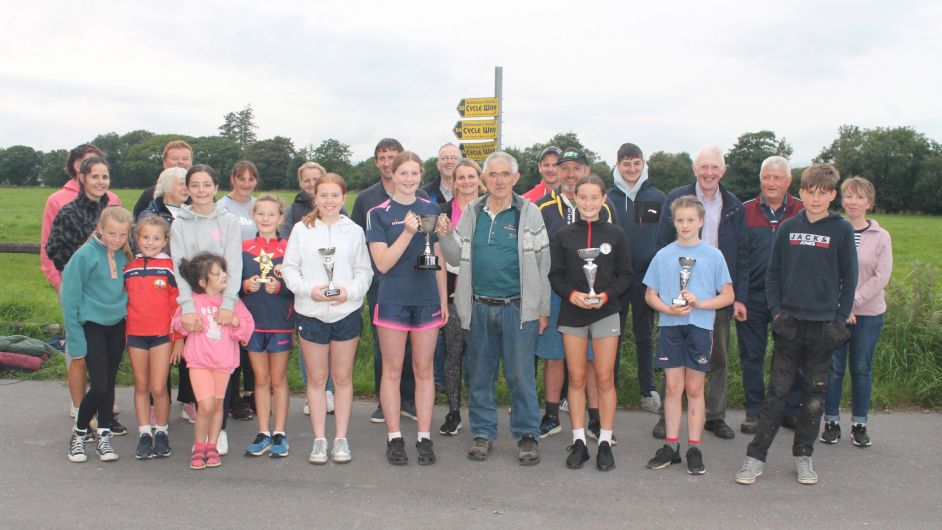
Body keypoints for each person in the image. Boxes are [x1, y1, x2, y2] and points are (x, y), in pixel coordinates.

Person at [736, 163, 858, 486]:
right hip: (789, 324)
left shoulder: (841, 230)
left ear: (833, 195)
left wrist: (838, 320)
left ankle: (804, 455)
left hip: (823, 328)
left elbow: (850, 278)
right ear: (801, 192)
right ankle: (755, 457)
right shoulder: (789, 228)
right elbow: (772, 275)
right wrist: (777, 314)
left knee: (814, 396)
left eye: (823, 194)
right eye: (810, 193)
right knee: (776, 394)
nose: (816, 199)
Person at [438, 151, 551, 466]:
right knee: (480, 375)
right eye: (493, 174)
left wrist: (542, 309)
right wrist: (445, 236)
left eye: (505, 174)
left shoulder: (529, 212)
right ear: (484, 179)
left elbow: (544, 263)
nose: (499, 180)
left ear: (515, 179)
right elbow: (455, 257)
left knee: (521, 376)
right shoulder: (472, 212)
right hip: (478, 307)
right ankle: (483, 433)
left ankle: (527, 434)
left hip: (519, 309)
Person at [652, 145, 748, 441]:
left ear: (723, 170)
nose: (709, 173)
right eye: (703, 167)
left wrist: (738, 296)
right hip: (677, 297)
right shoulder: (677, 199)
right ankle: (666, 418)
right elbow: (661, 244)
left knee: (716, 355)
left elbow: (742, 254)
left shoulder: (734, 205)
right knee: (673, 359)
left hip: (714, 294)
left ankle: (715, 416)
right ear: (694, 169)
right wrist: (666, 292)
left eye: (714, 167)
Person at [283, 174, 373, 464]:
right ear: (315, 197)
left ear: (343, 198)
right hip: (311, 312)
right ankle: (319, 439)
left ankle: (341, 439)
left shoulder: (354, 231)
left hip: (346, 312)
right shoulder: (301, 230)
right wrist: (311, 290)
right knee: (317, 378)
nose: (329, 201)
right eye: (324, 195)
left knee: (343, 377)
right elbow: (289, 269)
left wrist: (348, 292)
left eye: (335, 196)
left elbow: (364, 272)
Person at [366, 151, 448, 466]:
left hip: (426, 299)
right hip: (393, 299)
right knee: (393, 370)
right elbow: (383, 263)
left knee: (424, 370)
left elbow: (438, 258)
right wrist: (407, 232)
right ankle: (394, 437)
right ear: (393, 175)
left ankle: (424, 437)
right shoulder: (379, 213)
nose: (410, 179)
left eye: (415, 174)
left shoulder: (431, 209)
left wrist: (442, 299)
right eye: (404, 174)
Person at [644, 196, 734, 475]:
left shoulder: (713, 255)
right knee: (672, 388)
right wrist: (667, 310)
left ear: (701, 221)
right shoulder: (663, 255)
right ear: (674, 222)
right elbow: (650, 295)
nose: (685, 225)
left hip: (701, 327)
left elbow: (728, 296)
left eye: (691, 220)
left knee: (695, 389)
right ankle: (671, 446)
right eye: (680, 220)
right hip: (671, 327)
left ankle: (694, 447)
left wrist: (700, 304)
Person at [549, 175, 633, 472]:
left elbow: (626, 275)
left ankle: (606, 441)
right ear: (575, 198)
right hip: (573, 313)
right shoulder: (563, 235)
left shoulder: (616, 235)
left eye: (593, 198)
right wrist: (572, 295)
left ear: (602, 199)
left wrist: (605, 295)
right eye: (582, 197)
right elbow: (555, 275)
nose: (587, 203)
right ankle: (579, 440)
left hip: (605, 311)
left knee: (605, 378)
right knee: (576, 378)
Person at [536, 147, 617, 441]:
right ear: (556, 171)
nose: (570, 174)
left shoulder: (605, 207)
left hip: (595, 298)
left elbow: (615, 254)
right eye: (564, 168)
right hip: (557, 295)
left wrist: (606, 293)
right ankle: (551, 415)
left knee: (595, 361)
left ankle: (595, 419)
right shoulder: (543, 207)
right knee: (554, 357)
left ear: (586, 171)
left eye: (576, 168)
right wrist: (541, 304)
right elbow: (540, 259)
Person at [46, 154, 127, 435]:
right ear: (82, 178)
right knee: (78, 357)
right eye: (95, 176)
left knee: (106, 365)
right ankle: (82, 414)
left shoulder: (113, 207)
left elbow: (124, 249)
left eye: (105, 177)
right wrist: (76, 270)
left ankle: (106, 416)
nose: (100, 182)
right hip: (82, 292)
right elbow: (54, 248)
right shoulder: (69, 211)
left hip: (110, 297)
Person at [170, 164, 244, 455]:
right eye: (195, 185)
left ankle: (219, 430)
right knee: (201, 366)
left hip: (224, 304)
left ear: (215, 188)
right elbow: (179, 268)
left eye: (206, 185)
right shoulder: (180, 223)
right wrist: (187, 308)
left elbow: (234, 265)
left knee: (225, 368)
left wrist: (228, 304)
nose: (201, 190)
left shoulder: (229, 222)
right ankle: (202, 434)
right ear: (187, 189)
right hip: (195, 307)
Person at [351, 138, 423, 423]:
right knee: (385, 346)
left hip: (416, 283)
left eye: (391, 157)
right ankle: (385, 401)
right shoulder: (366, 199)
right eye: (381, 157)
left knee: (413, 346)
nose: (386, 162)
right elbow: (358, 240)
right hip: (380, 282)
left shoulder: (420, 194)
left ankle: (408, 399)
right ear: (377, 162)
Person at [821, 176, 892, 447]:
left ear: (869, 203)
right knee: (834, 369)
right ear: (842, 199)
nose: (853, 201)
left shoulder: (881, 236)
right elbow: (827, 272)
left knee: (861, 369)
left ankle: (859, 424)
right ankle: (831, 423)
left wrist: (854, 302)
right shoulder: (834, 229)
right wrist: (841, 306)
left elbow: (882, 275)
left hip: (869, 314)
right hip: (836, 313)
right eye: (849, 195)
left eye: (859, 197)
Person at [736, 156, 804, 434]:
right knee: (751, 355)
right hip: (752, 296)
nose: (771, 183)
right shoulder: (745, 211)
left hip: (790, 298)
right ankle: (754, 411)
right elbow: (738, 257)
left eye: (777, 178)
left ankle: (788, 410)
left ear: (788, 181)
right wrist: (738, 297)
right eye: (767, 177)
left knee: (789, 355)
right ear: (760, 179)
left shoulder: (802, 211)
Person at [173, 253, 255, 470]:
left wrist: (235, 321)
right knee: (206, 405)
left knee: (219, 405)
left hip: (224, 362)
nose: (224, 276)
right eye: (217, 274)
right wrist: (188, 324)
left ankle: (212, 445)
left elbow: (247, 327)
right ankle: (199, 445)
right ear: (202, 282)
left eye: (224, 271)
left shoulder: (231, 302)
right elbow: (178, 322)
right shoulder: (193, 301)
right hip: (199, 362)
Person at [65, 206, 134, 463]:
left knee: (109, 384)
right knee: (100, 384)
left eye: (122, 234)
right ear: (100, 229)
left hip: (116, 326)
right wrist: (76, 342)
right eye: (112, 233)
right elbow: (70, 301)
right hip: (91, 326)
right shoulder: (83, 257)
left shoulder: (123, 257)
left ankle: (104, 436)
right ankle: (79, 434)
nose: (117, 239)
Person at [607, 142, 665, 414]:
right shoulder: (607, 198)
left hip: (646, 278)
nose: (631, 169)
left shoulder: (657, 196)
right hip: (616, 278)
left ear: (643, 164)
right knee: (612, 335)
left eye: (636, 163)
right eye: (626, 163)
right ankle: (610, 388)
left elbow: (665, 238)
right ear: (617, 165)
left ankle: (647, 390)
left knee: (644, 334)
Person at [240, 196, 295, 458]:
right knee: (260, 379)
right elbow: (232, 284)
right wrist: (244, 286)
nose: (265, 219)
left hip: (280, 322)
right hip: (253, 324)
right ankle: (263, 432)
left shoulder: (290, 248)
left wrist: (281, 287)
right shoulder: (243, 247)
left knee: (278, 379)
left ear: (281, 218)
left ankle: (280, 433)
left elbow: (298, 284)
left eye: (271, 214)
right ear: (253, 216)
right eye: (260, 213)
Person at [124, 215, 178, 459]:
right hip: (135, 334)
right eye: (145, 237)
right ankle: (145, 433)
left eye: (156, 238)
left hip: (161, 335)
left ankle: (162, 431)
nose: (150, 242)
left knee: (158, 387)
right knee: (142, 385)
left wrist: (179, 338)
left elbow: (177, 306)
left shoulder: (170, 268)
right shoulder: (129, 268)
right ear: (137, 238)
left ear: (165, 240)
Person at [437, 158, 485, 436]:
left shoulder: (492, 209)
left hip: (486, 292)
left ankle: (481, 414)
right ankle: (454, 412)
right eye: (461, 177)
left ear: (479, 179)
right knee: (453, 353)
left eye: (471, 176)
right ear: (453, 182)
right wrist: (443, 298)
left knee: (482, 357)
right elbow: (440, 257)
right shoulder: (443, 212)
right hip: (454, 292)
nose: (466, 182)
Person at [217, 160, 260, 422]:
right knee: (232, 338)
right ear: (233, 179)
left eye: (251, 179)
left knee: (250, 336)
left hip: (255, 277)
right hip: (232, 277)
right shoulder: (222, 206)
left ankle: (252, 394)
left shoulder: (257, 206)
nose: (246, 183)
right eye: (241, 178)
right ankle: (231, 398)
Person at [132, 140, 193, 220]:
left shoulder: (202, 193)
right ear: (164, 163)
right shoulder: (149, 195)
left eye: (185, 158)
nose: (180, 162)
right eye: (175, 158)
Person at [281, 161, 325, 239]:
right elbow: (285, 240)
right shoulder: (292, 211)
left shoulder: (336, 208)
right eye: (306, 180)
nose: (312, 184)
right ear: (301, 183)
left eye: (316, 179)